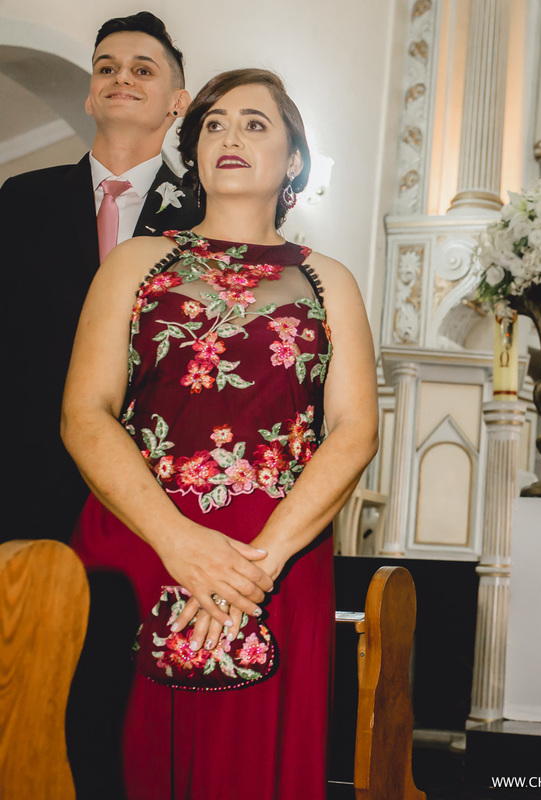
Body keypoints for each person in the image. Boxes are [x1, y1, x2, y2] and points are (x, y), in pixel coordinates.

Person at [62, 68, 378, 799]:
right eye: (213, 123)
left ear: (294, 160)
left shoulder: (329, 280)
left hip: (274, 560)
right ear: (196, 152)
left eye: (255, 123)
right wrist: (180, 543)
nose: (230, 134)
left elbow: (355, 431)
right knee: (115, 761)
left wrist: (251, 570)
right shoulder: (136, 263)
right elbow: (83, 413)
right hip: (138, 545)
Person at [1, 11, 198, 547]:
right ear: (90, 97)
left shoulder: (205, 217)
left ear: (178, 103)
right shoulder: (19, 201)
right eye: (106, 69)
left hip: (155, 489)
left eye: (142, 70)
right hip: (22, 479)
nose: (122, 79)